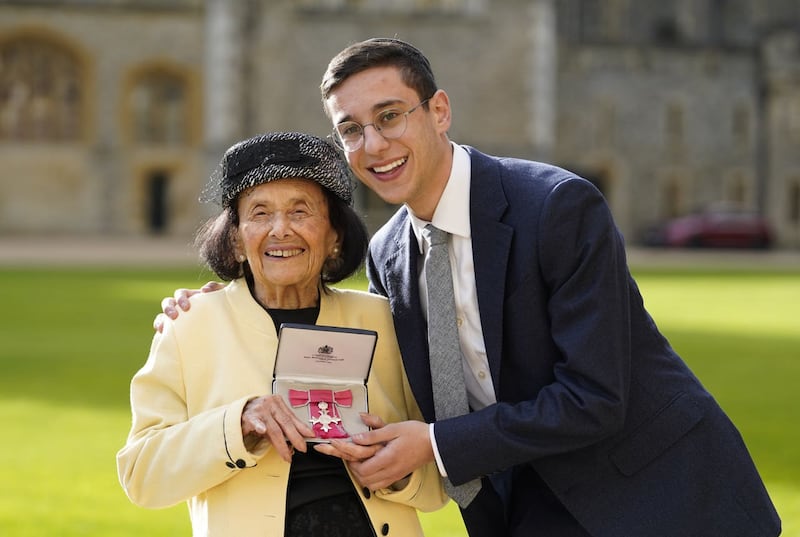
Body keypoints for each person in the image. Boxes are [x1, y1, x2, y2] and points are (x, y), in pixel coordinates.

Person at [159, 39, 782, 537]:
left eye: (390, 116)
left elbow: (595, 395)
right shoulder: (386, 254)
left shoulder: (557, 206)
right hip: (521, 503)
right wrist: (217, 301)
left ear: (439, 111)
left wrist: (431, 443)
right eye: (351, 130)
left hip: (655, 496)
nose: (373, 145)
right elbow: (315, 303)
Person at [117, 131, 446, 537]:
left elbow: (436, 484)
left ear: (334, 238)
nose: (280, 230)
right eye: (259, 213)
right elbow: (141, 476)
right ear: (236, 240)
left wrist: (392, 469)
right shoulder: (190, 325)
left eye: (300, 211)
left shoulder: (384, 321)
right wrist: (237, 423)